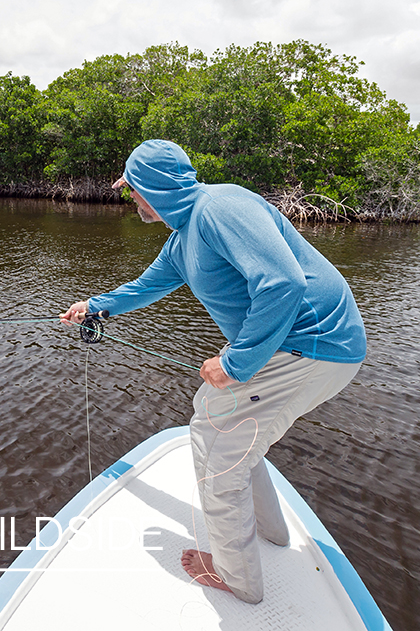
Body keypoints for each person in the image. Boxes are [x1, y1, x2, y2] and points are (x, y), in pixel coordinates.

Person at [60, 139, 366, 604]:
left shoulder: (220, 206)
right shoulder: (183, 237)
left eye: (132, 190)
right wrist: (95, 307)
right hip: (299, 346)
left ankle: (236, 576)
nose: (130, 199)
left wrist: (236, 362)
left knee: (215, 448)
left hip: (312, 344)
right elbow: (148, 286)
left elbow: (283, 282)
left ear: (152, 188)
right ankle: (271, 533)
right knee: (217, 416)